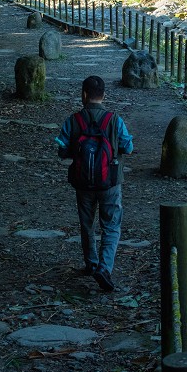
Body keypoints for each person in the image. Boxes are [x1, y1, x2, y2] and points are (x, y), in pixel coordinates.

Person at [55, 75, 134, 292]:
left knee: (87, 224)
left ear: (84, 94)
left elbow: (61, 149)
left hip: (83, 183)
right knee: (111, 226)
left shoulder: (73, 120)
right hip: (110, 182)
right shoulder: (114, 120)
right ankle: (104, 268)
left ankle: (91, 263)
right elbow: (128, 147)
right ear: (104, 95)